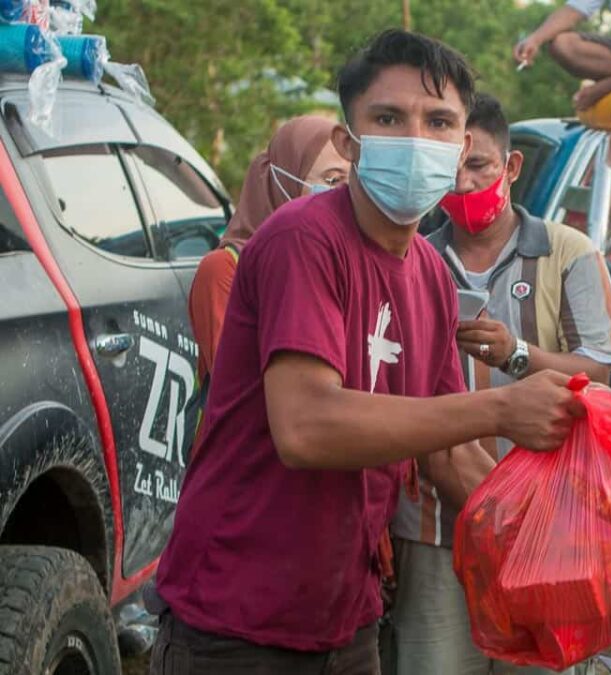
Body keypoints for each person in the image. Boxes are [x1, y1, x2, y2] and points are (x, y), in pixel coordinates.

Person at [148, 30, 584, 675]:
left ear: (463, 146)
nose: (415, 140)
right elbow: (305, 427)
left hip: (344, 613)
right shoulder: (303, 239)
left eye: (438, 122)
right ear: (350, 144)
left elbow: (448, 450)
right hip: (236, 617)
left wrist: (551, 545)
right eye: (388, 118)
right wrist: (499, 408)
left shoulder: (431, 275)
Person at [390, 93, 611, 675]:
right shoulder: (410, 257)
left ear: (511, 167)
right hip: (434, 523)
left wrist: (517, 354)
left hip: (547, 525)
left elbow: (599, 371)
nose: (466, 184)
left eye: (481, 166)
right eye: (453, 168)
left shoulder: (568, 251)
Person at [188, 114, 349, 385]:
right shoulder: (224, 270)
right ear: (282, 184)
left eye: (350, 182)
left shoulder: (336, 266)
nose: (344, 196)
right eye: (332, 181)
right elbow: (236, 384)